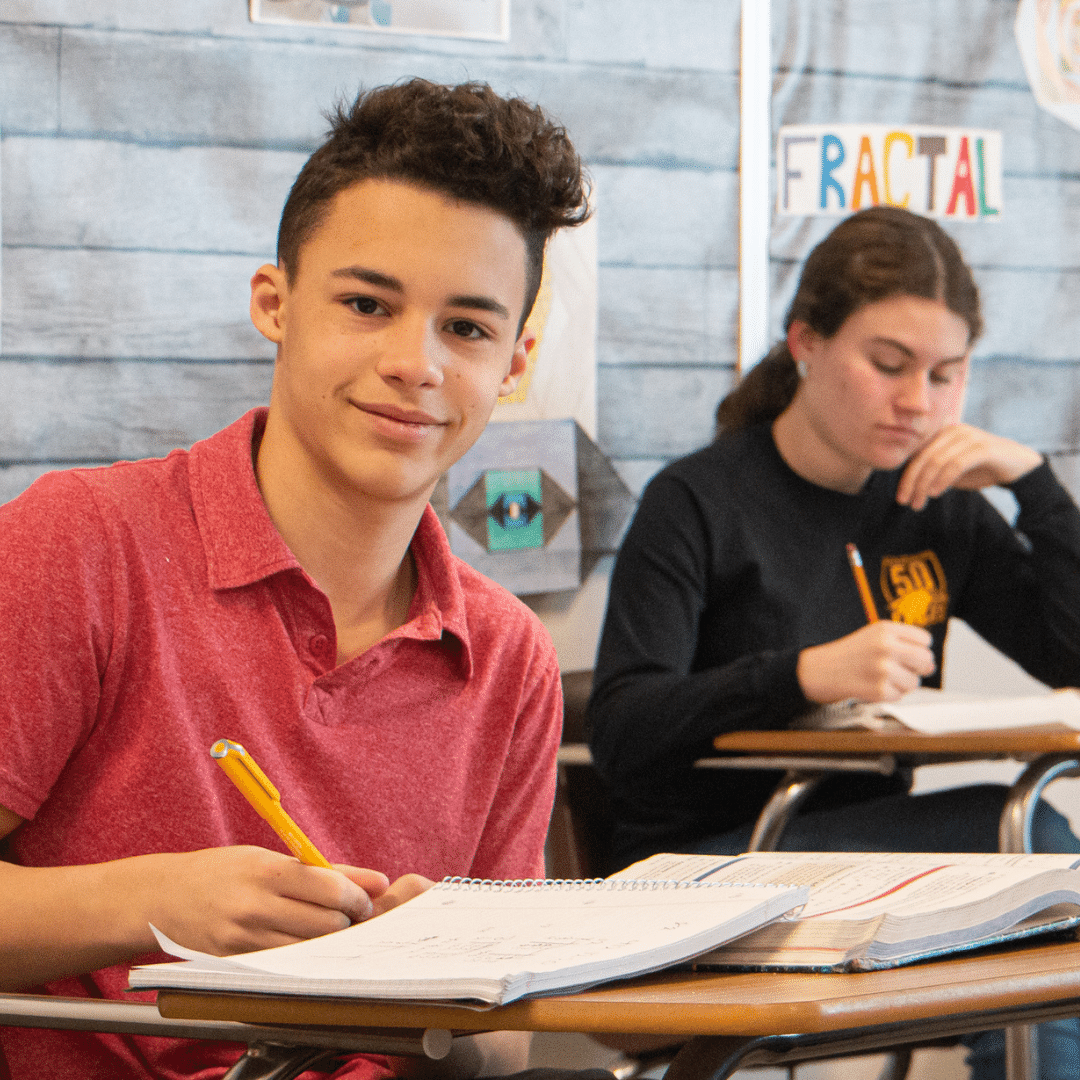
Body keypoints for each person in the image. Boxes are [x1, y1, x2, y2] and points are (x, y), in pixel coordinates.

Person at [0, 79, 593, 1080]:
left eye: (467, 329)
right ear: (274, 305)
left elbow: (502, 1046)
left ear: (515, 363)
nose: (415, 363)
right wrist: (151, 905)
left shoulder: (508, 658)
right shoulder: (83, 544)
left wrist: (433, 980)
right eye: (367, 305)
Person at [587, 206, 1080, 1079]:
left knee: (1038, 868)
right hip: (698, 870)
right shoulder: (696, 500)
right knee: (1031, 838)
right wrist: (802, 674)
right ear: (805, 343)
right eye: (888, 365)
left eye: (946, 374)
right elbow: (622, 725)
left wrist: (1036, 486)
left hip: (854, 861)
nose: (917, 401)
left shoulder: (937, 506)